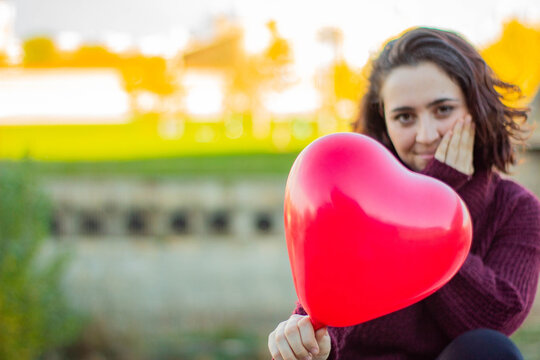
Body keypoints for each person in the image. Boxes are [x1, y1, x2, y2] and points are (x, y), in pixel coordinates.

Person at [268, 27, 540, 360]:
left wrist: (434, 208)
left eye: (443, 110)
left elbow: (495, 321)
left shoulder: (517, 209)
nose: (426, 135)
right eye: (405, 117)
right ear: (384, 122)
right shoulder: (359, 196)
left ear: (475, 109)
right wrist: (310, 340)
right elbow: (334, 302)